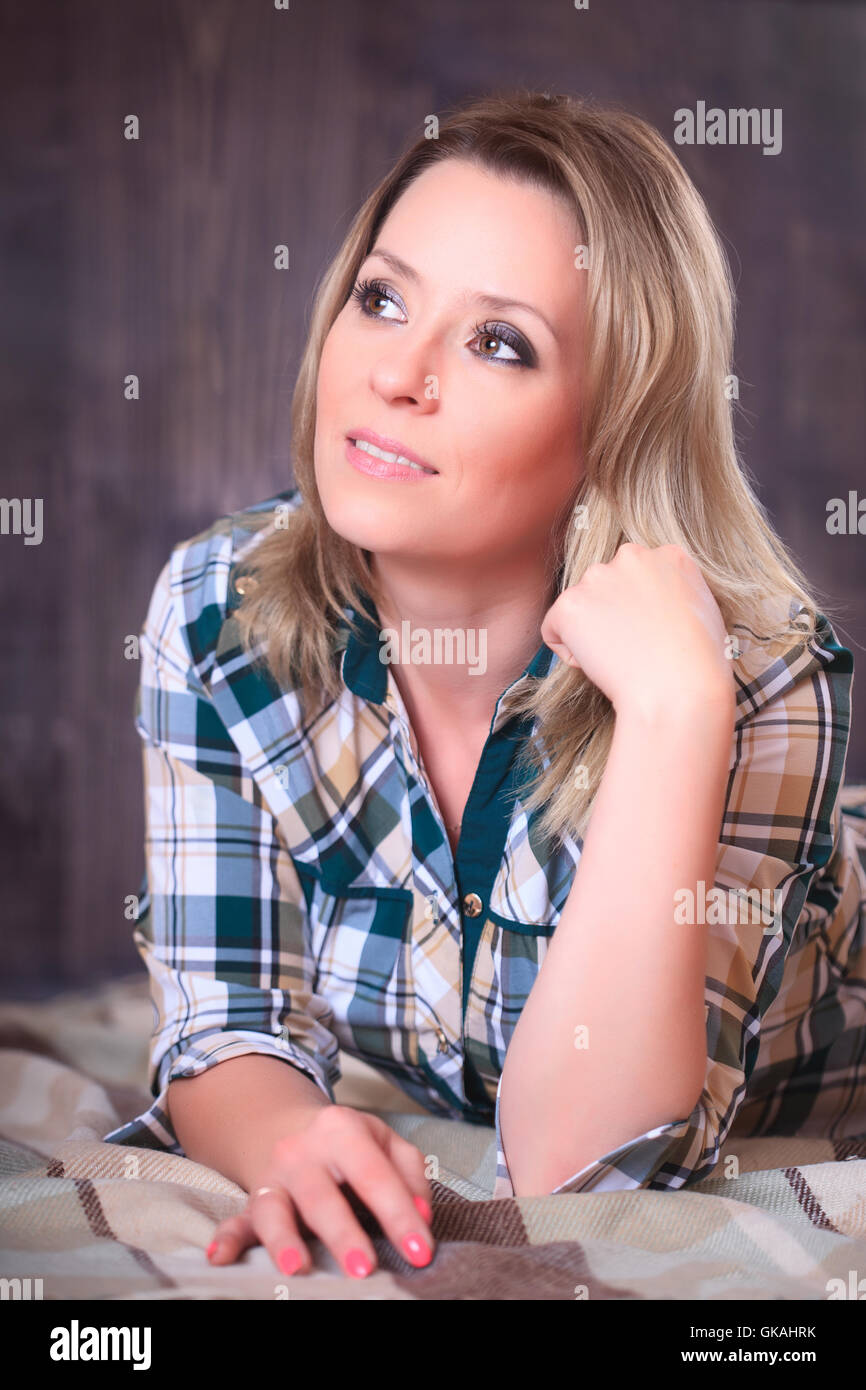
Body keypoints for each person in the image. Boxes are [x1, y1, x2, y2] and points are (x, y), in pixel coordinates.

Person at [104, 90, 866, 1283]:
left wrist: (671, 719)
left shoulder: (754, 674)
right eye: (382, 297)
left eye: (497, 341)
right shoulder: (218, 615)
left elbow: (586, 1168)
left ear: (608, 428)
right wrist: (288, 1138)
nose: (396, 373)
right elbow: (229, 1018)